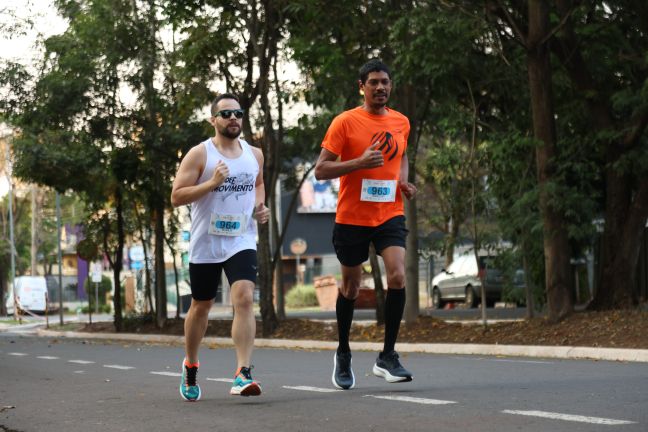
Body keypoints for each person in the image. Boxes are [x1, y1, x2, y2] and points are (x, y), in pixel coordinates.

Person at [314, 59, 417, 390]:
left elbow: (400, 155)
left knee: (398, 274)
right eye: (373, 82)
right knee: (351, 288)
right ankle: (343, 352)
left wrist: (403, 182)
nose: (380, 87)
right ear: (362, 86)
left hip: (389, 211)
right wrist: (358, 162)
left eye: (385, 82)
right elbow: (321, 169)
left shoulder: (401, 122)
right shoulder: (345, 122)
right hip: (352, 216)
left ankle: (388, 356)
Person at [171, 93, 270, 401]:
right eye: (225, 114)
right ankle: (190, 363)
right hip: (206, 242)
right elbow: (177, 195)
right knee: (201, 306)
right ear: (213, 120)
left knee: (243, 298)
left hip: (241, 239)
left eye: (237, 113)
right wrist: (211, 183)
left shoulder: (254, 154)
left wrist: (260, 207)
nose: (233, 118)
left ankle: (243, 372)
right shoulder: (199, 155)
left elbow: (257, 184)